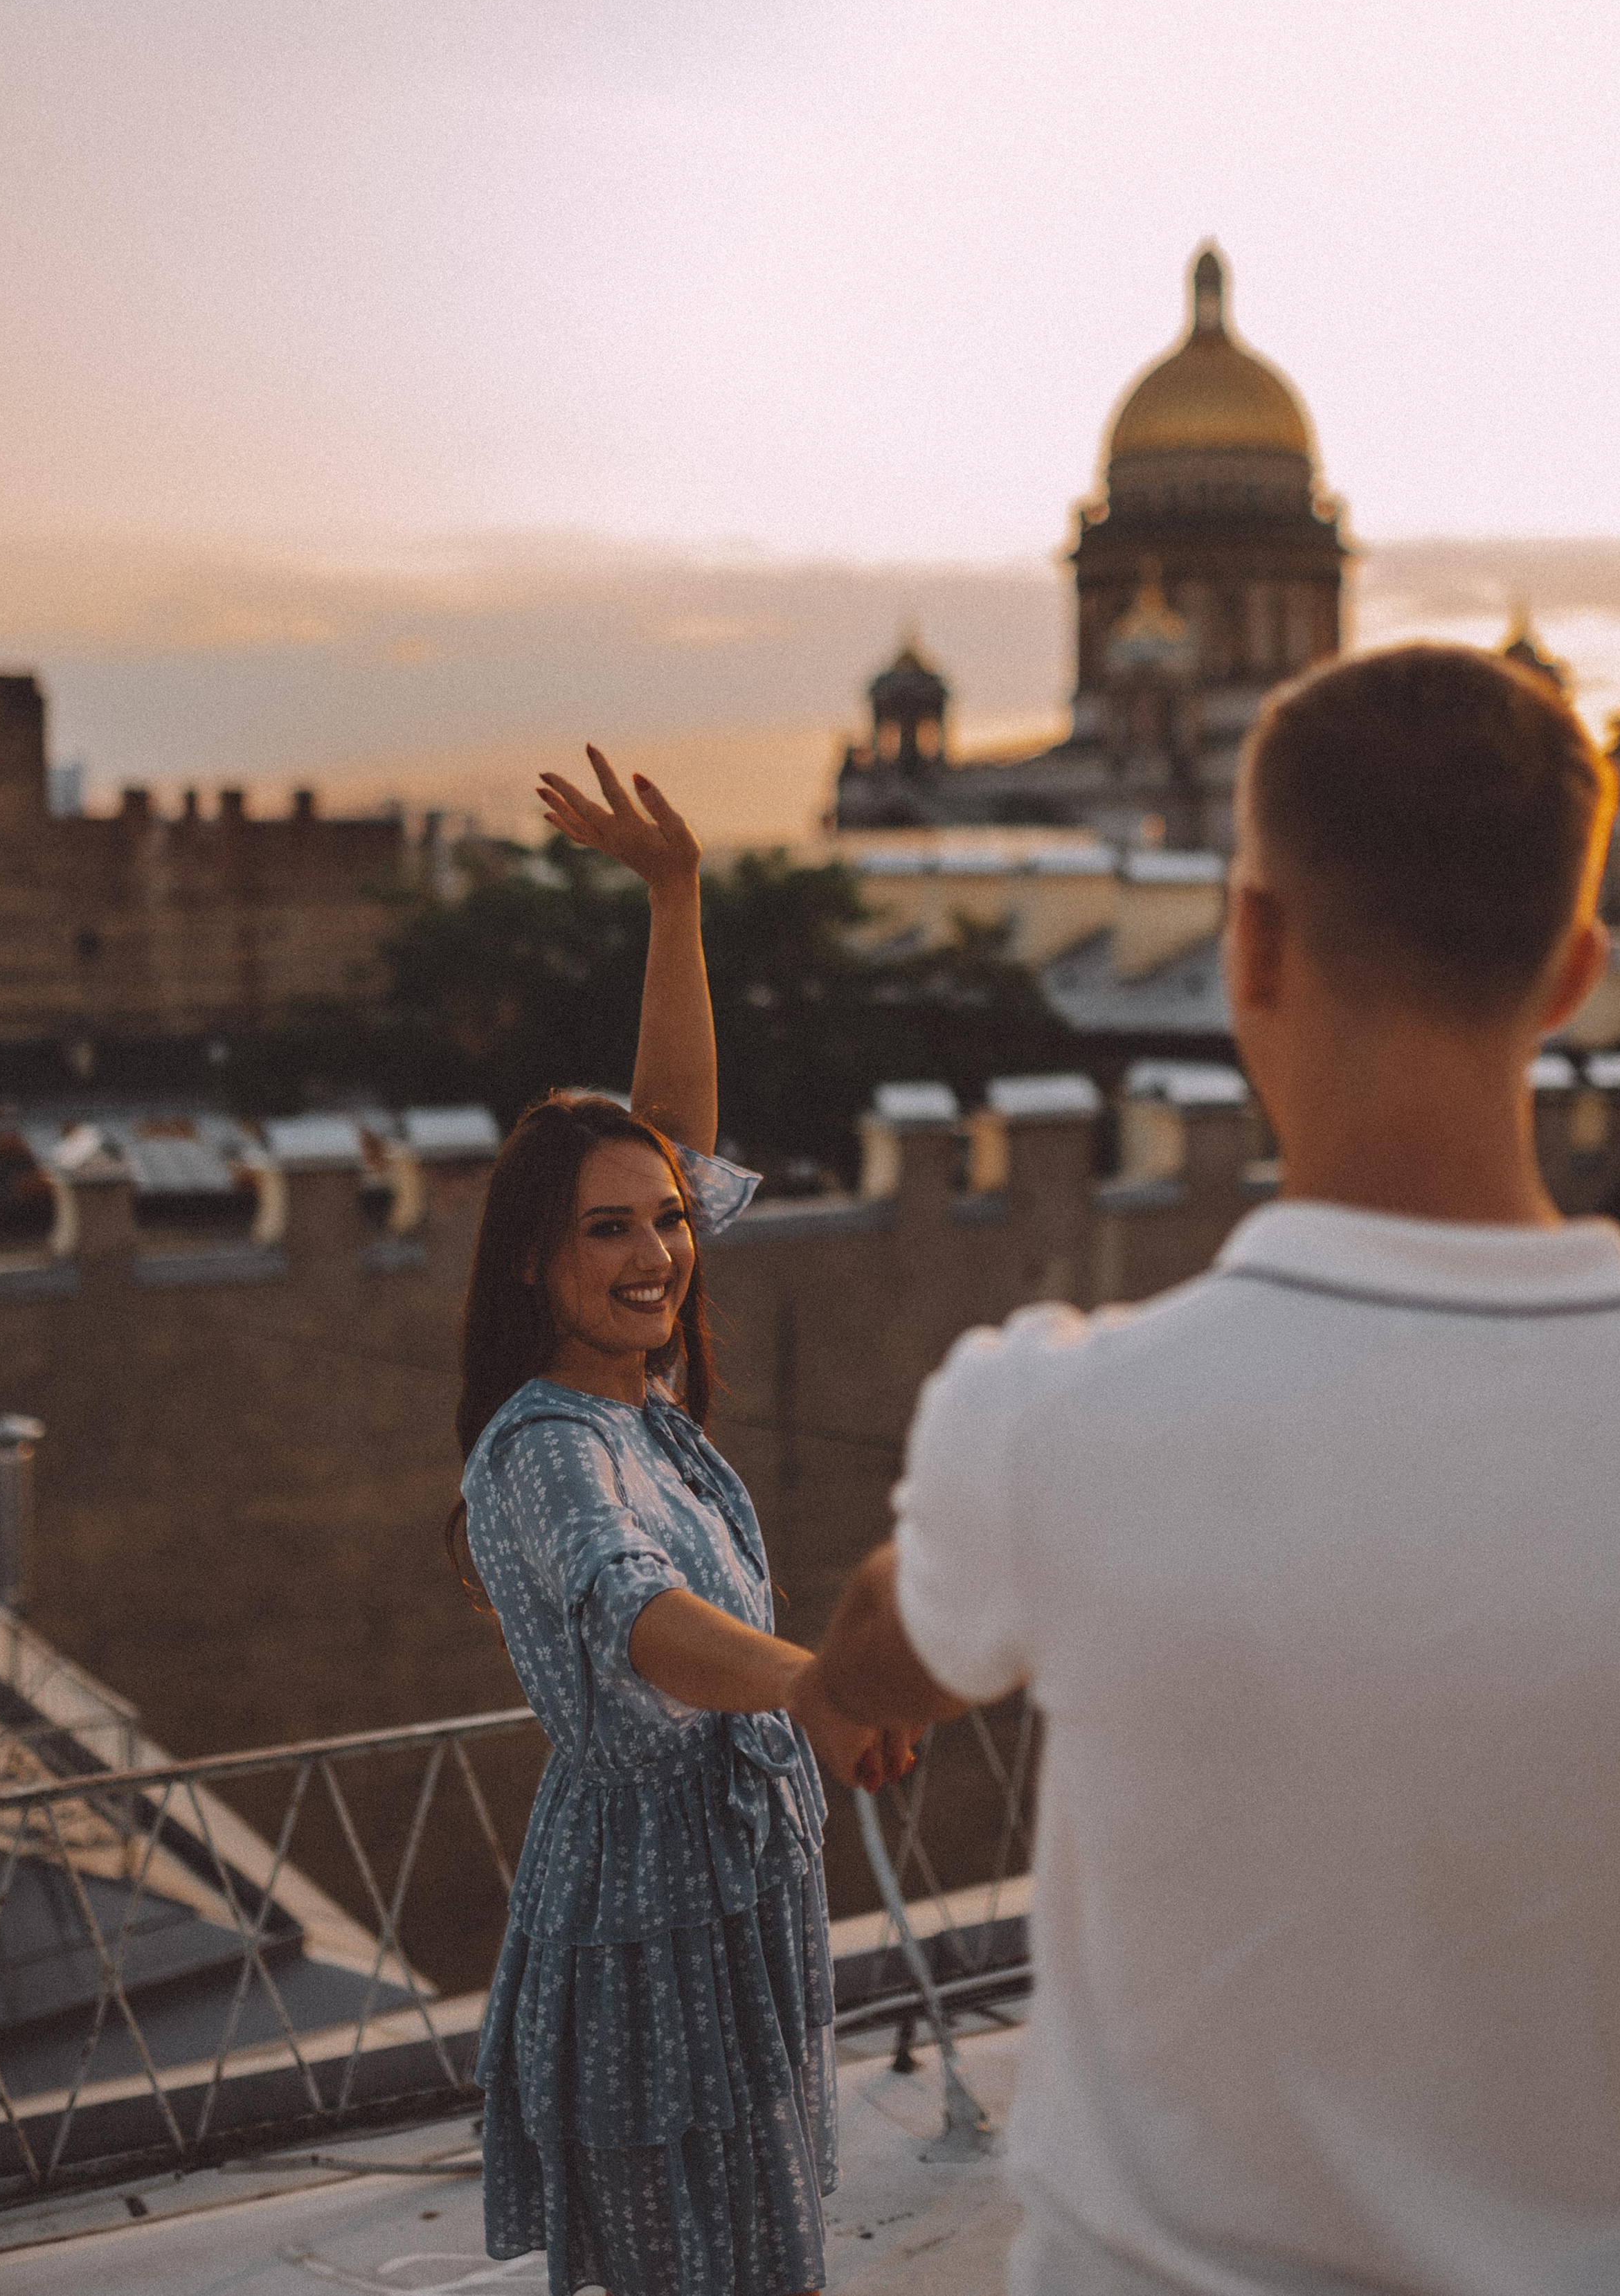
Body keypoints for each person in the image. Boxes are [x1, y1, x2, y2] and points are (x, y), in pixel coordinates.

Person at [796, 644, 1620, 2296]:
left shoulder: (1044, 1422)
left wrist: (858, 1668)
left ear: (1247, 941)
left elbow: (884, 1652)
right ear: (1573, 970)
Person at [455, 746, 913, 2296]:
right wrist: (813, 1685)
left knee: (765, 2262)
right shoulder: (540, 1449)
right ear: (532, 1262)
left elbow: (660, 1128)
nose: (659, 1250)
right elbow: (629, 1608)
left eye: (667, 1220)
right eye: (609, 1232)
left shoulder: (638, 1395)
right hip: (647, 1940)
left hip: (739, 1908)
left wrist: (674, 896)